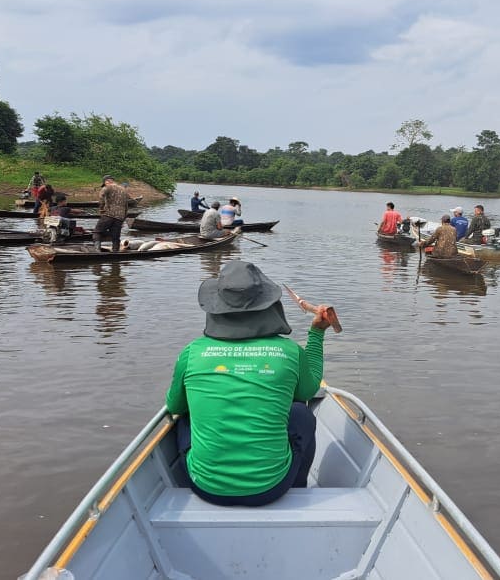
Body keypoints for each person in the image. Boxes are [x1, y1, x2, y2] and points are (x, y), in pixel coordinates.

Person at [166, 260, 334, 507]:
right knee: (301, 413)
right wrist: (317, 334)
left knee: (185, 417)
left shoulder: (192, 352)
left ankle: (192, 481)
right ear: (269, 306)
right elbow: (308, 391)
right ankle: (298, 487)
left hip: (206, 488)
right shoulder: (288, 351)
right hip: (272, 487)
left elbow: (174, 406)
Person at [93, 175, 130, 252]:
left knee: (97, 232)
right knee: (115, 237)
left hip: (108, 214)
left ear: (106, 181)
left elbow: (101, 196)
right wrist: (123, 219)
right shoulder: (124, 190)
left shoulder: (108, 187)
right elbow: (126, 207)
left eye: (105, 183)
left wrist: (101, 209)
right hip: (120, 217)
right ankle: (115, 252)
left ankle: (97, 250)